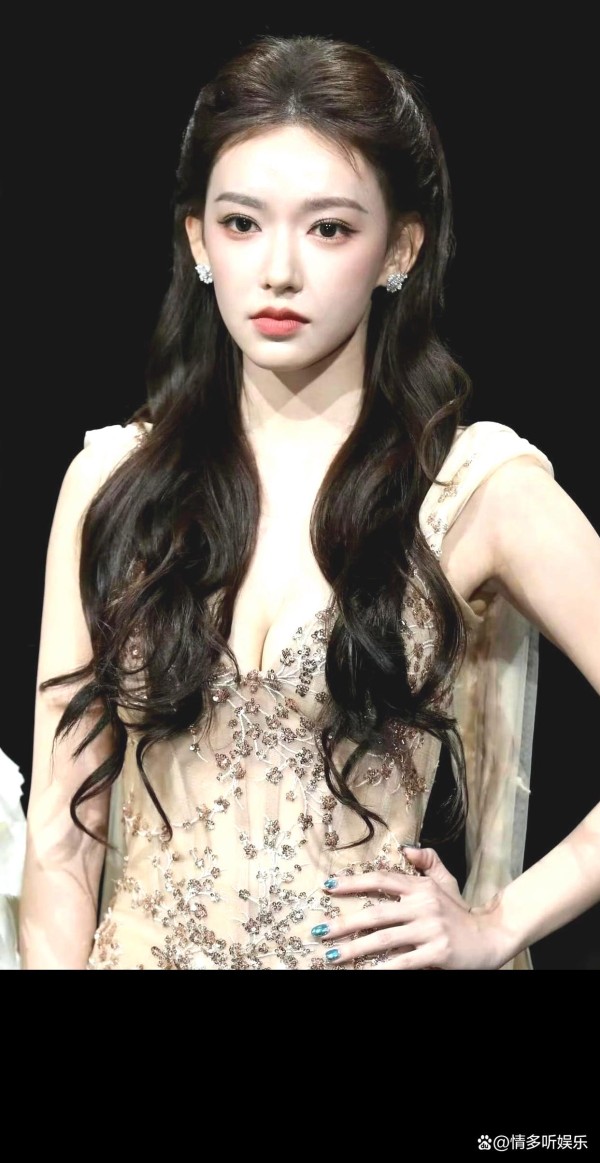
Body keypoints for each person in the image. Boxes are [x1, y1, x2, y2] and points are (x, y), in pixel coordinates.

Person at [18, 34, 600, 971]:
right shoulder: (115, 483)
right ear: (198, 240)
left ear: (400, 247)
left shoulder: (473, 491)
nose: (279, 269)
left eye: (329, 229)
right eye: (242, 223)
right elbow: (61, 834)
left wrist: (499, 924)